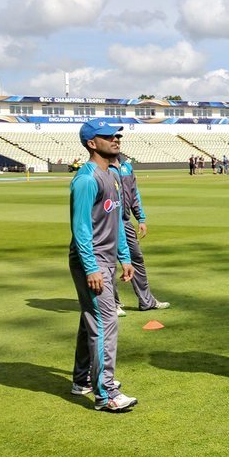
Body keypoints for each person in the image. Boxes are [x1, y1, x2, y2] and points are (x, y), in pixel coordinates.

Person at [68, 119, 137, 412]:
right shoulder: (86, 179)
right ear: (91, 143)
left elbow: (118, 222)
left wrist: (124, 257)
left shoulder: (113, 175)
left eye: (117, 135)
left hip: (107, 259)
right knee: (105, 323)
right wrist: (92, 267)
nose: (116, 139)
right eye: (108, 136)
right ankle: (105, 393)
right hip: (91, 260)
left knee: (92, 320)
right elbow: (81, 228)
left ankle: (82, 379)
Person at [112, 153, 170, 316]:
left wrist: (141, 218)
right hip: (108, 223)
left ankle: (146, 301)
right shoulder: (103, 168)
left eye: (118, 139)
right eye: (112, 138)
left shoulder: (126, 166)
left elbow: (134, 192)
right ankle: (113, 304)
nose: (116, 141)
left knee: (136, 259)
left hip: (125, 221)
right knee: (109, 262)